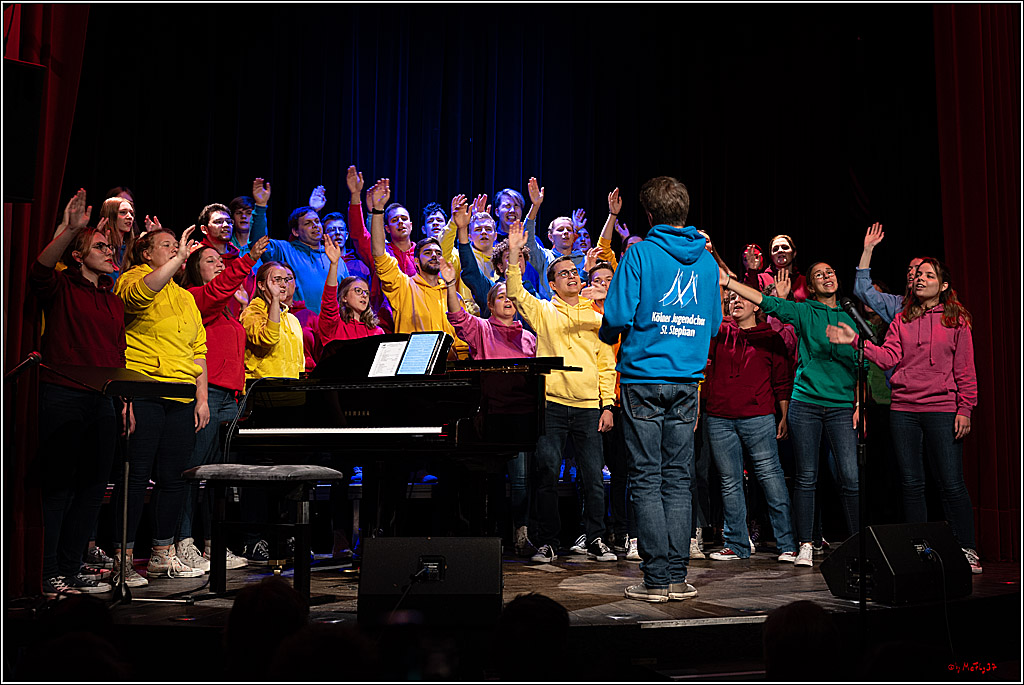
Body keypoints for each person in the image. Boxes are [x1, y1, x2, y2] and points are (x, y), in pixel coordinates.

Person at [598, 176, 722, 602]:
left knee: (648, 479)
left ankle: (655, 581)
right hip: (687, 382)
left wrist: (614, 331)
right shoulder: (706, 262)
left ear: (649, 215)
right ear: (684, 212)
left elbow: (615, 316)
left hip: (643, 380)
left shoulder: (641, 254)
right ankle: (675, 576)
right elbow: (716, 324)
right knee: (679, 479)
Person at [826, 258, 980, 572]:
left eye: (928, 275)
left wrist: (965, 408)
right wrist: (856, 341)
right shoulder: (902, 319)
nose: (920, 279)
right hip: (904, 409)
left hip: (942, 408)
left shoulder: (956, 320)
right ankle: (920, 548)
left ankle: (966, 548)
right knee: (911, 484)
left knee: (951, 483)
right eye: (918, 275)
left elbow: (965, 369)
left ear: (944, 285)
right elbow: (888, 358)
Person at [721, 262, 863, 568]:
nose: (828, 276)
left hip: (841, 407)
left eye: (831, 272)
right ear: (810, 287)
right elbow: (767, 302)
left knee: (850, 478)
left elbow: (863, 364)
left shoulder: (851, 315)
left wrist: (859, 405)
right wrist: (730, 282)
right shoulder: (804, 310)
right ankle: (805, 544)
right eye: (819, 275)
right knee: (807, 477)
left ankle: (859, 545)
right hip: (806, 404)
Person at [505, 219, 617, 564]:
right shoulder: (543, 311)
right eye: (563, 273)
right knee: (546, 476)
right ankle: (548, 541)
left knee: (594, 479)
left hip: (588, 407)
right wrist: (512, 253)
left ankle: (597, 538)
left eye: (574, 272)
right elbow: (514, 293)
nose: (572, 276)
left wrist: (608, 404)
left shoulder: (597, 317)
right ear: (552, 283)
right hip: (552, 405)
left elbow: (605, 363)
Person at [30, 189, 125, 595]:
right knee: (59, 488)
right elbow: (37, 272)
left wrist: (122, 401)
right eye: (100, 246)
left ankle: (70, 568)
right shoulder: (62, 287)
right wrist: (69, 230)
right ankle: (48, 571)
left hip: (103, 399)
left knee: (91, 488)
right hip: (64, 394)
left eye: (109, 246)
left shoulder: (112, 299)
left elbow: (116, 353)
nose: (109, 251)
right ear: (77, 255)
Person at [113, 225, 207, 585]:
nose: (176, 249)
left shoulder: (184, 297)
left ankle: (161, 553)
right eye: (166, 245)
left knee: (173, 479)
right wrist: (180, 258)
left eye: (177, 246)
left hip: (181, 394)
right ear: (146, 253)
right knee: (135, 476)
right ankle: (123, 557)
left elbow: (198, 350)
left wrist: (201, 397)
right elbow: (137, 298)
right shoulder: (133, 278)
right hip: (145, 390)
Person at [175, 235, 270, 572]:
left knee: (220, 478)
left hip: (230, 399)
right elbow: (217, 292)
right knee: (192, 473)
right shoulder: (194, 299)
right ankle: (183, 542)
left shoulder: (229, 312)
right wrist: (248, 259)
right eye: (211, 261)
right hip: (206, 396)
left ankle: (215, 544)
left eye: (221, 261)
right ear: (194, 269)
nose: (219, 265)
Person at [704, 290, 797, 562]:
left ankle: (787, 544)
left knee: (771, 478)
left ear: (757, 307)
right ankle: (736, 544)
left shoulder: (770, 337)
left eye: (742, 298)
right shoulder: (719, 332)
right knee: (730, 482)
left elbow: (782, 381)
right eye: (731, 298)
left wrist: (783, 416)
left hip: (758, 417)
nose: (736, 301)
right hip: (719, 417)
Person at [368, 178, 469, 359]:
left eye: (438, 253)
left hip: (450, 372)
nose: (434, 255)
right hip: (412, 369)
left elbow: (462, 339)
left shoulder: (452, 295)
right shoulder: (403, 287)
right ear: (415, 262)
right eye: (428, 252)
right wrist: (377, 211)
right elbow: (378, 253)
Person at [247, 178, 348, 315]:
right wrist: (260, 206)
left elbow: (346, 293)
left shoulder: (334, 257)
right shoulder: (285, 250)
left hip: (332, 328)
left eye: (317, 221)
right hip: (297, 326)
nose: (315, 226)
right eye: (307, 223)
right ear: (295, 231)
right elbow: (258, 243)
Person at [241, 261, 306, 381]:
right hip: (263, 391)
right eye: (277, 279)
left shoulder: (292, 319)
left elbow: (300, 363)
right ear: (261, 285)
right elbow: (269, 338)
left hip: (292, 392)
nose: (283, 285)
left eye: (286, 280)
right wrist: (275, 299)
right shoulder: (252, 313)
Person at [853, 222, 925, 325]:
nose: (911, 272)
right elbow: (862, 289)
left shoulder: (947, 311)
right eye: (909, 269)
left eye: (918, 269)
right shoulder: (897, 305)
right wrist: (868, 250)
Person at [319, 235, 384, 343]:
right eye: (358, 291)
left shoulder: (377, 332)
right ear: (344, 297)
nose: (364, 295)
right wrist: (334, 264)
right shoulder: (333, 326)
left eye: (367, 293)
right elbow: (329, 299)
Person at [747, 234, 809, 302]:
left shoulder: (805, 281)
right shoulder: (761, 279)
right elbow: (749, 298)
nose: (780, 251)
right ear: (771, 256)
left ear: (794, 253)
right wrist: (752, 271)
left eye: (785, 247)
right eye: (775, 249)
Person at [323, 210, 370, 282]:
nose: (337, 233)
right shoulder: (321, 262)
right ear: (323, 236)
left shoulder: (360, 266)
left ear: (347, 235)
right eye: (332, 230)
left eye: (341, 229)